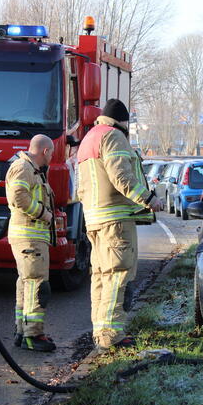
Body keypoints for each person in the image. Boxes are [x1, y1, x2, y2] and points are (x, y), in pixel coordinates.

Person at [77, 98, 163, 350]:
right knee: (118, 275)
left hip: (94, 219)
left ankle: (100, 331)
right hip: (115, 220)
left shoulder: (89, 139)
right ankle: (112, 334)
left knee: (101, 277)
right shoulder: (113, 136)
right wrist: (147, 198)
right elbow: (121, 176)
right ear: (123, 122)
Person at [6, 134, 57, 352]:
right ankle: (32, 335)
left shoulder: (30, 169)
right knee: (37, 285)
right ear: (45, 151)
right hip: (29, 238)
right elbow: (18, 196)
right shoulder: (24, 168)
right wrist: (43, 214)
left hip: (30, 238)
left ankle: (22, 331)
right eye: (52, 153)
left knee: (26, 284)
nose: (52, 157)